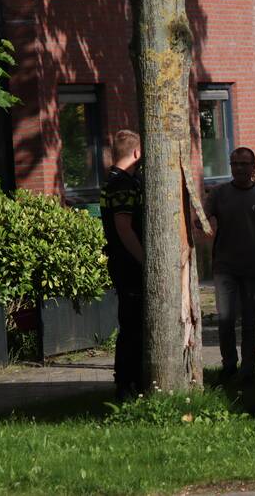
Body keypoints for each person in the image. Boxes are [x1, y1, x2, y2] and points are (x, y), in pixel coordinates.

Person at [203, 146, 255, 385]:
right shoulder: (219, 194)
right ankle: (229, 364)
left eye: (244, 164)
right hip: (224, 267)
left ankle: (248, 370)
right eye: (235, 164)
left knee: (250, 322)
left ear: (253, 167)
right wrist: (201, 220)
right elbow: (201, 219)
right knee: (226, 319)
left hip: (252, 268)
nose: (239, 168)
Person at [100, 130, 144, 400]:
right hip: (129, 264)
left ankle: (129, 380)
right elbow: (124, 227)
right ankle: (127, 383)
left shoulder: (113, 181)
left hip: (122, 261)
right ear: (137, 153)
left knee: (132, 323)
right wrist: (144, 261)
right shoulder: (123, 186)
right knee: (132, 324)